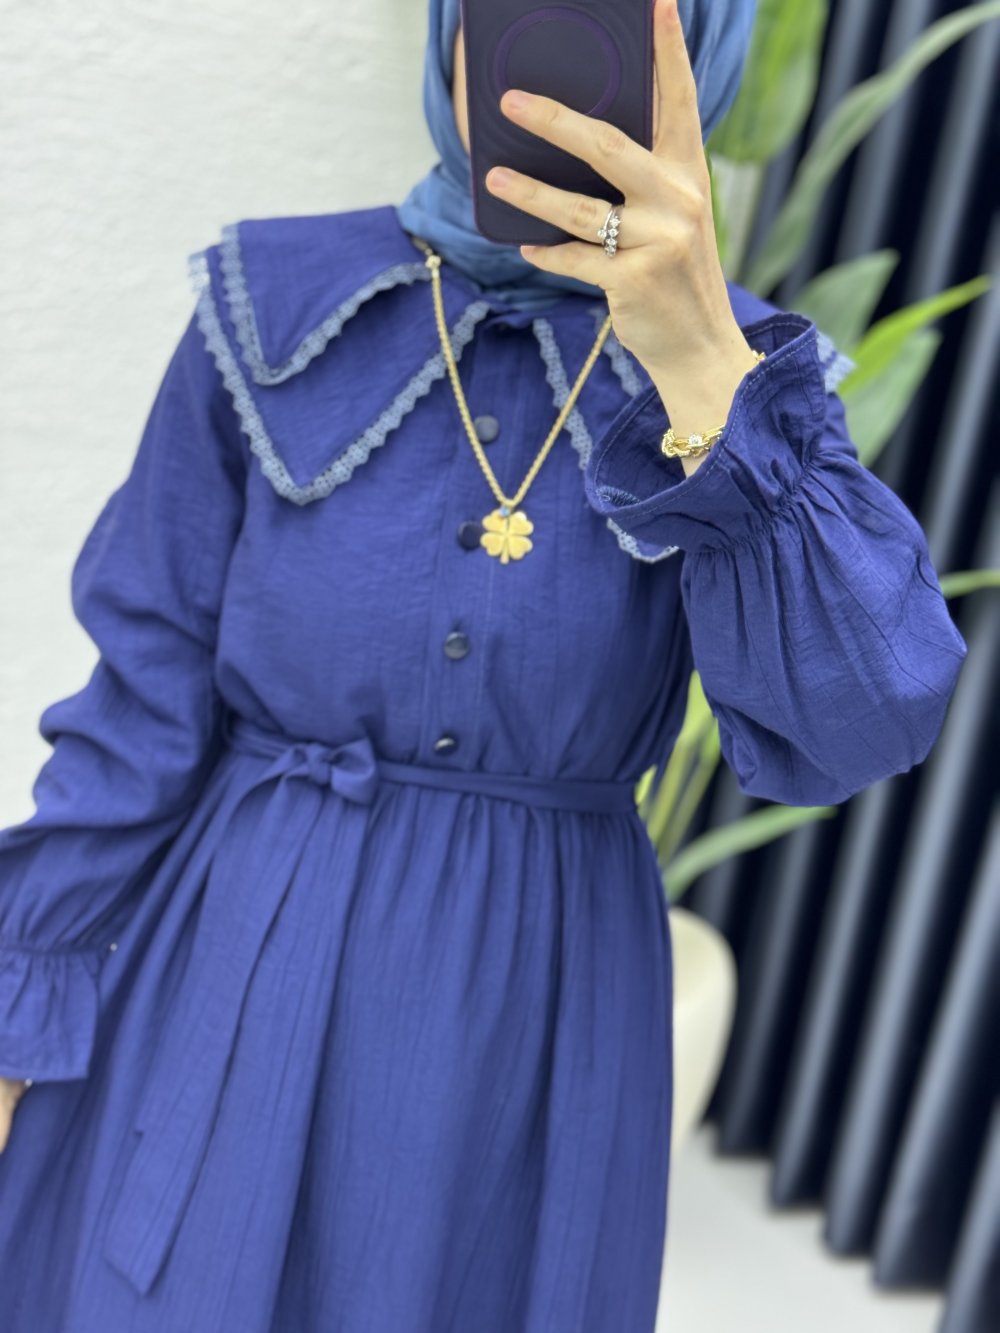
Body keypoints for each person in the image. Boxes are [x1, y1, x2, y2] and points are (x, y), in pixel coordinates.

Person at [0, 0, 968, 1328]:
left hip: (536, 1015)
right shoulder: (271, 302)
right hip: (235, 968)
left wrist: (699, 359)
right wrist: (17, 1005)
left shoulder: (744, 386)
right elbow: (137, 708)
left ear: (700, 51)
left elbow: (862, 720)